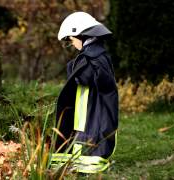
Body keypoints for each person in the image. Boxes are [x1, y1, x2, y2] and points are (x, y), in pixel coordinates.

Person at [51, 12, 118, 173]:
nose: (72, 44)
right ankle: (76, 158)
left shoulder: (93, 57)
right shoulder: (94, 55)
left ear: (81, 34)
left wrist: (74, 68)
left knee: (89, 135)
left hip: (93, 115)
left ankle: (85, 159)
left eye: (72, 40)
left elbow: (88, 78)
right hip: (87, 113)